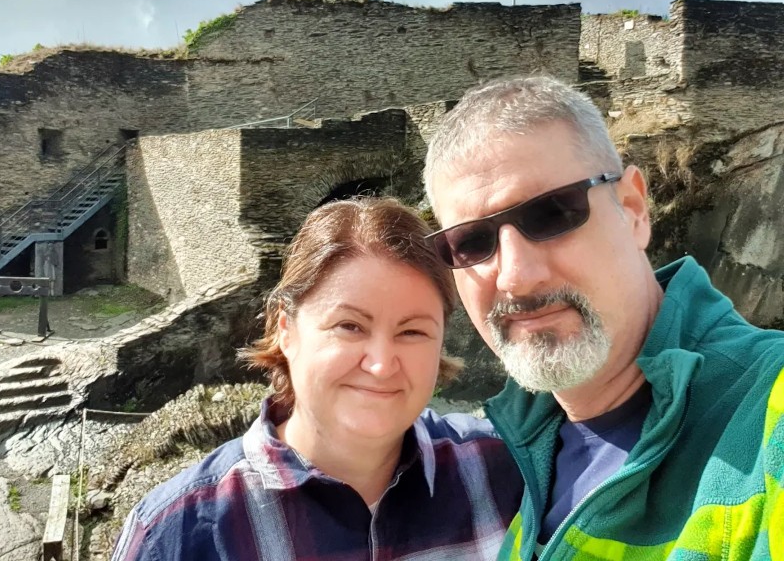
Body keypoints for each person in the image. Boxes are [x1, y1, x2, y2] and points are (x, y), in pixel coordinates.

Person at [423, 75, 784, 560]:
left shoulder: (768, 416)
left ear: (633, 209)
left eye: (552, 214)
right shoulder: (504, 461)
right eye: (470, 242)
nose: (515, 277)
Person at [112, 197, 524, 561]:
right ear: (285, 329)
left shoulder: (505, 471)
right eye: (349, 326)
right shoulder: (176, 533)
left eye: (412, 331)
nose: (381, 364)